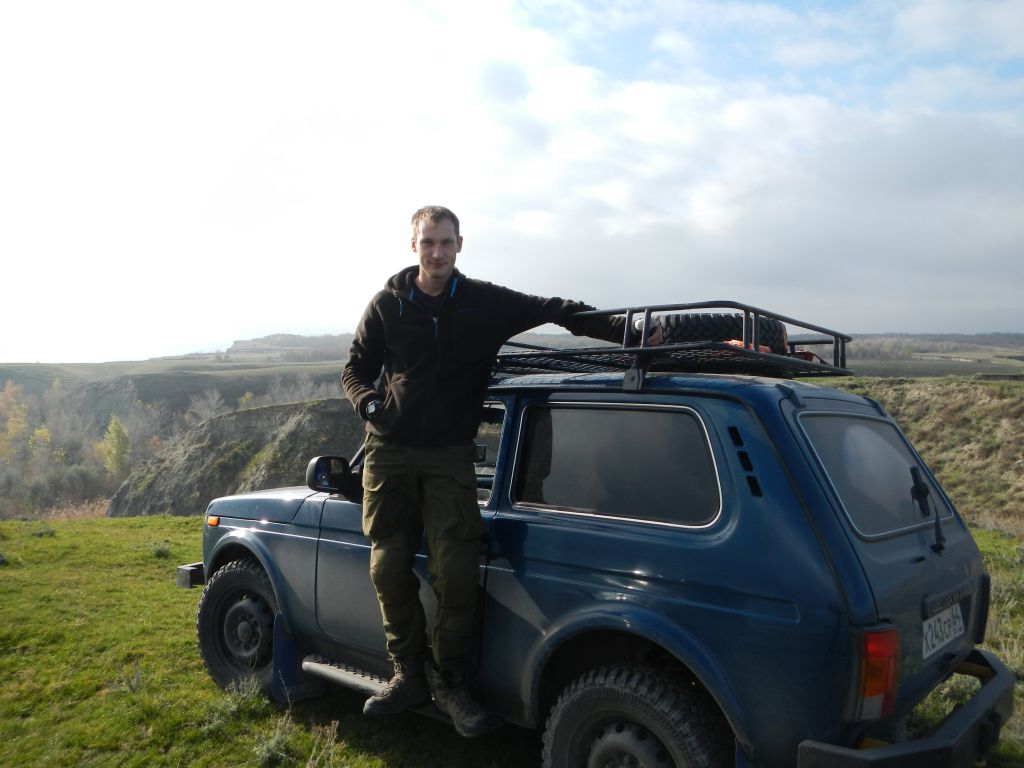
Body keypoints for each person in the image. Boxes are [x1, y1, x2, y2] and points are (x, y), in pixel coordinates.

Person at [341, 205, 643, 738]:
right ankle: (408, 673)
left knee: (456, 575)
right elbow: (355, 368)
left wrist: (627, 332)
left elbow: (556, 309)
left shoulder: (484, 302)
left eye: (446, 242)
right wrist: (369, 404)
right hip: (388, 451)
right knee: (387, 567)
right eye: (428, 242)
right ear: (413, 246)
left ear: (460, 245)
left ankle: (452, 684)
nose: (437, 252)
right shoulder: (388, 304)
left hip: (448, 455)